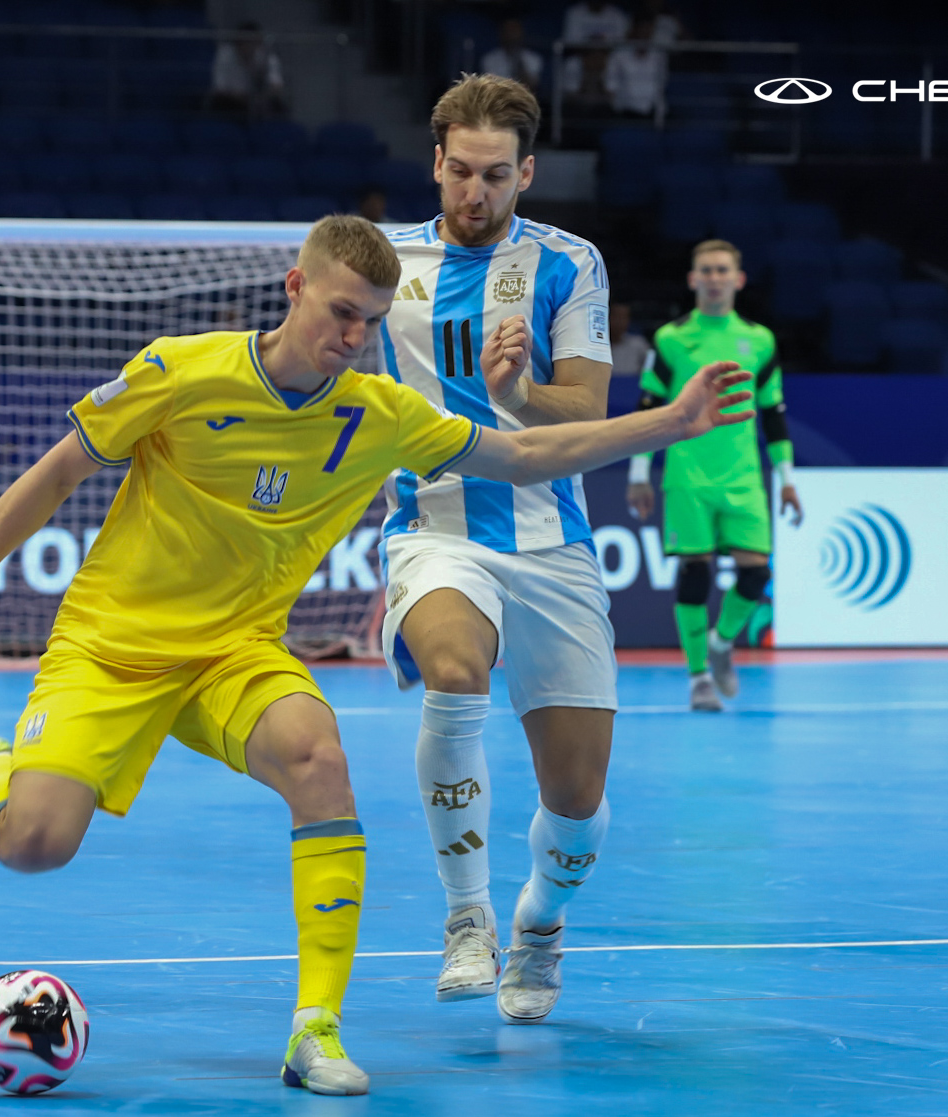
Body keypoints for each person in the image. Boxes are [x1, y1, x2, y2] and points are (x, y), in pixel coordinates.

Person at [0, 215, 751, 1094]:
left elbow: (525, 451)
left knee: (321, 761)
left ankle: (315, 1029)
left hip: (235, 654)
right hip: (111, 650)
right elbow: (55, 472)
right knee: (35, 845)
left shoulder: (379, 414)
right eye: (342, 312)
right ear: (294, 288)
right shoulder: (181, 369)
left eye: (373, 321)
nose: (355, 337)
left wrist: (672, 421)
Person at [376, 73, 618, 1023]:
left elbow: (588, 409)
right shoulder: (384, 261)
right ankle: (465, 918)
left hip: (550, 539)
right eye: (459, 172)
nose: (473, 194)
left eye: (495, 177)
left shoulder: (568, 264)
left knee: (577, 803)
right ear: (435, 163)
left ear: (527, 174)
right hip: (435, 529)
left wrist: (517, 393)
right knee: (451, 668)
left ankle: (538, 926)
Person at [626, 239, 799, 712]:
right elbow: (648, 407)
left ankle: (723, 644)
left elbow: (775, 414)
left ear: (739, 279)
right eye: (706, 270)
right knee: (695, 573)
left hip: (743, 476)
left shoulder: (760, 341)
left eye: (723, 270)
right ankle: (698, 676)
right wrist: (639, 473)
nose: (715, 277)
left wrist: (787, 478)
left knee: (755, 572)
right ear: (693, 279)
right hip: (688, 473)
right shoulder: (670, 339)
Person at [210, 21, 287, 119]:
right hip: (231, 101)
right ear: (238, 43)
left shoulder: (266, 55)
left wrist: (263, 95)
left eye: (255, 42)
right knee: (223, 106)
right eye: (247, 42)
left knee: (280, 109)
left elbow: (276, 85)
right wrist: (240, 97)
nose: (251, 47)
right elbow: (219, 88)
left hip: (259, 100)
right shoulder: (225, 54)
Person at [605, 17, 667, 118]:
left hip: (652, 112)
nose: (644, 35)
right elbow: (611, 86)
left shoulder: (659, 54)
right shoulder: (619, 54)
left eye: (648, 31)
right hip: (625, 112)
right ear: (633, 31)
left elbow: (661, 82)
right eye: (641, 30)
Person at [479, 19, 545, 97]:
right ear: (502, 34)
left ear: (522, 33)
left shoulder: (534, 58)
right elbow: (491, 88)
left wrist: (518, 62)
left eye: (515, 31)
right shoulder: (489, 59)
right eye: (509, 31)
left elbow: (532, 87)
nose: (512, 36)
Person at [608, 301, 650, 375]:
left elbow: (651, 370)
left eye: (623, 317)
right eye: (616, 316)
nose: (619, 322)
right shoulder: (597, 346)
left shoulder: (639, 344)